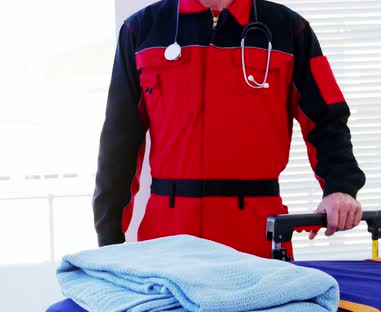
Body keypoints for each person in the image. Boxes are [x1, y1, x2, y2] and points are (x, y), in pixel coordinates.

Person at [93, 0, 365, 259]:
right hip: (168, 242)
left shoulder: (290, 30)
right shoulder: (141, 30)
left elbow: (327, 119)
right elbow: (119, 140)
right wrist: (109, 241)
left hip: (257, 239)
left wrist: (340, 188)